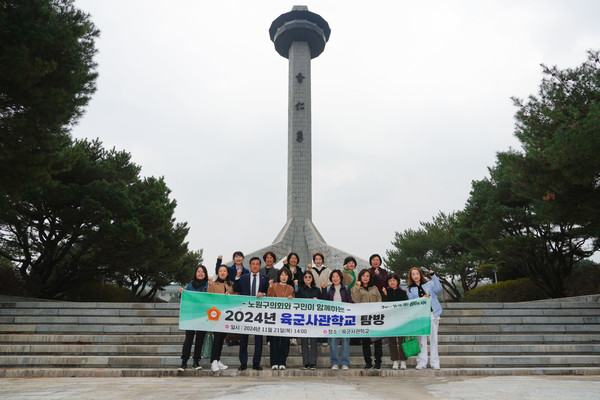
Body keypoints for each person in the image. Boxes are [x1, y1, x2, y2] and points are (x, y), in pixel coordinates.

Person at [233, 256, 269, 370]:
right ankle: (243, 363)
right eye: (253, 264)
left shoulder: (265, 278)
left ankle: (256, 363)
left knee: (258, 339)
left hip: (259, 312)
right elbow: (236, 289)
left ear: (260, 266)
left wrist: (263, 294)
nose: (255, 266)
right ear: (250, 265)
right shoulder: (243, 278)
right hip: (245, 312)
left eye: (257, 264)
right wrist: (237, 277)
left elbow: (268, 292)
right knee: (244, 338)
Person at [406, 267, 443, 370]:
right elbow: (410, 302)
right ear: (411, 277)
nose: (415, 276)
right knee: (422, 340)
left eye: (417, 273)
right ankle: (422, 362)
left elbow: (438, 288)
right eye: (413, 274)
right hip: (420, 316)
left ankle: (435, 362)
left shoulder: (429, 284)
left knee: (434, 339)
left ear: (420, 274)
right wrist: (421, 299)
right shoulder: (409, 289)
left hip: (432, 313)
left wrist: (433, 275)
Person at [177, 264, 209, 371]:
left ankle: (196, 361)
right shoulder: (190, 286)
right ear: (195, 273)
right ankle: (184, 361)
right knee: (188, 339)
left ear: (205, 274)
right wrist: (182, 293)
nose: (200, 273)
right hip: (191, 317)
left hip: (204, 317)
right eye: (198, 271)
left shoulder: (209, 286)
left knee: (200, 339)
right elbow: (184, 300)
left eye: (202, 272)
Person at [351, 269, 383, 369]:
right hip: (363, 319)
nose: (365, 277)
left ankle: (378, 363)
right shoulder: (356, 288)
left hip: (375, 318)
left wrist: (375, 311)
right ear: (360, 277)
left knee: (378, 342)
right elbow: (355, 300)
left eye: (367, 276)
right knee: (365, 343)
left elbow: (379, 300)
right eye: (363, 276)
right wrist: (357, 288)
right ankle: (368, 363)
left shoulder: (374, 288)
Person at [322, 269, 353, 370]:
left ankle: (345, 362)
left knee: (345, 340)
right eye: (333, 277)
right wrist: (323, 290)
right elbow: (324, 303)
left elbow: (350, 302)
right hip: (332, 319)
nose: (335, 278)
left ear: (340, 278)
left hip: (344, 319)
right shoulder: (328, 289)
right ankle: (334, 362)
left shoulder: (346, 289)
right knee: (333, 341)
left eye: (337, 276)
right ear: (331, 278)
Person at [207, 264, 235, 372]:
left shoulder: (231, 285)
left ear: (227, 273)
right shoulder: (214, 284)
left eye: (224, 271)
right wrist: (210, 284)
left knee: (221, 338)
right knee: (217, 338)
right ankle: (213, 361)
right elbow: (209, 296)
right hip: (216, 315)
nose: (222, 273)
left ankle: (217, 360)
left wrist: (230, 295)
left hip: (227, 316)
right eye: (220, 271)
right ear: (218, 273)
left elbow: (235, 297)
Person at [267, 268, 295, 370]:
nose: (283, 277)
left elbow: (295, 303)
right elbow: (269, 298)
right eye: (282, 275)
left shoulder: (291, 288)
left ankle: (282, 361)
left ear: (288, 277)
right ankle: (274, 362)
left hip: (286, 318)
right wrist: (270, 286)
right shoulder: (274, 286)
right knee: (274, 340)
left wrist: (292, 298)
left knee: (285, 341)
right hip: (275, 317)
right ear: (279, 276)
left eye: (286, 275)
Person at [294, 270, 321, 369]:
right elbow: (296, 300)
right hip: (303, 319)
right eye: (306, 277)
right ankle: (306, 362)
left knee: (313, 342)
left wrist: (317, 301)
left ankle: (313, 362)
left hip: (314, 319)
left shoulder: (317, 290)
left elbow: (323, 305)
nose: (308, 278)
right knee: (304, 342)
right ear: (303, 279)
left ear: (312, 278)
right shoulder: (300, 290)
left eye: (310, 277)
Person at [381, 273, 409, 370]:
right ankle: (395, 361)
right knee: (392, 341)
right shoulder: (386, 292)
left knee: (402, 340)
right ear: (387, 283)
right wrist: (384, 294)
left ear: (397, 281)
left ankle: (403, 361)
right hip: (390, 320)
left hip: (401, 320)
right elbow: (384, 306)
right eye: (390, 281)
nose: (392, 282)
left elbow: (406, 306)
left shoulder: (403, 293)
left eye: (394, 280)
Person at [308, 252, 331, 347]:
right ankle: (317, 339)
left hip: (324, 296)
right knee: (315, 319)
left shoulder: (327, 271)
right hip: (314, 297)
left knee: (323, 319)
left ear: (322, 260)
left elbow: (330, 282)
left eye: (319, 259)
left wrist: (326, 288)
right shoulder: (311, 271)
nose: (318, 261)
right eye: (316, 259)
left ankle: (324, 339)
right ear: (314, 261)